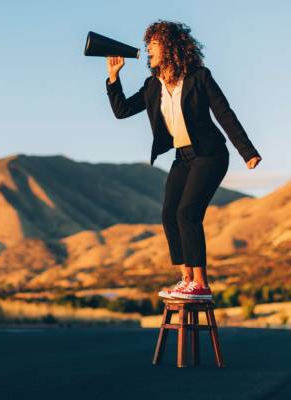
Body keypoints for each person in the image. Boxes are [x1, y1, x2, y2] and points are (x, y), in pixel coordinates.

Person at [105, 20, 262, 300]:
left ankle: (201, 283)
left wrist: (247, 152)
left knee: (187, 213)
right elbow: (122, 110)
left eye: (154, 42)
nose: (148, 48)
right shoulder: (153, 85)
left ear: (171, 46)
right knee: (169, 214)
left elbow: (224, 113)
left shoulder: (199, 77)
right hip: (183, 157)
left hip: (210, 154)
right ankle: (186, 278)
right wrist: (114, 78)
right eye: (148, 43)